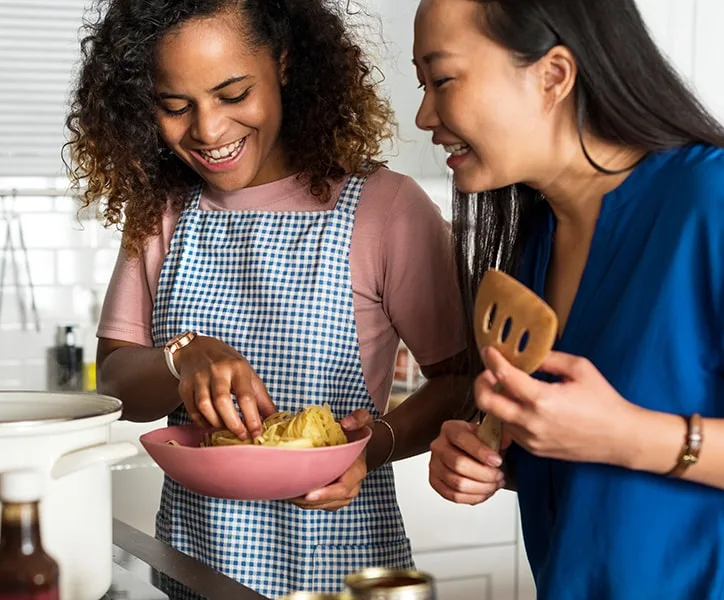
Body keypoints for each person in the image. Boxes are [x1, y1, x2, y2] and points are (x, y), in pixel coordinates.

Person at [65, 0, 471, 597]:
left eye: (233, 95)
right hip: (191, 568)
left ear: (283, 63)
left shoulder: (385, 209)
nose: (207, 130)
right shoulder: (163, 214)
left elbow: (460, 379)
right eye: (175, 106)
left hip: (342, 567)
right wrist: (183, 357)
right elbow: (116, 388)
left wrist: (373, 446)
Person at [413, 0, 724, 598]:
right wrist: (493, 457)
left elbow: (620, 437)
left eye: (443, 79)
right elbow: (589, 476)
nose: (426, 113)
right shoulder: (539, 244)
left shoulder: (708, 200)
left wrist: (630, 436)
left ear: (553, 75)